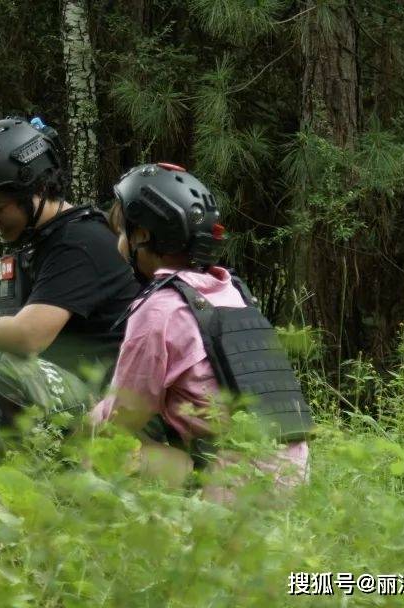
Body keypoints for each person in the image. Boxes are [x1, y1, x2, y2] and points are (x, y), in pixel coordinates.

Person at [89, 162, 312, 495]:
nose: (120, 243)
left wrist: (88, 418)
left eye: (124, 232)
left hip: (236, 488)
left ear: (143, 236)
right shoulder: (232, 290)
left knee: (105, 446)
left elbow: (124, 416)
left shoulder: (158, 309)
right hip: (292, 479)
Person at [0, 117, 140, 375]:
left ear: (38, 188)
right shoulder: (36, 238)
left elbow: (29, 336)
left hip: (106, 393)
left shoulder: (79, 241)